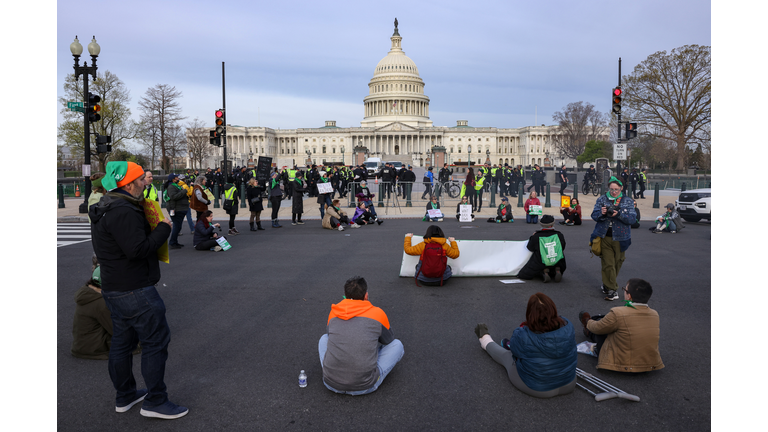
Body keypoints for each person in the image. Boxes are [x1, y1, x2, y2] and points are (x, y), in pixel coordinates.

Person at [89, 161, 188, 419]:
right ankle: (156, 401)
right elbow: (138, 250)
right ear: (130, 184)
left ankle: (125, 395)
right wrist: (164, 228)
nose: (147, 183)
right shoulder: (124, 210)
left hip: (113, 286)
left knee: (122, 343)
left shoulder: (105, 206)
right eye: (142, 180)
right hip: (135, 288)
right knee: (155, 343)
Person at [473, 293, 577, 398]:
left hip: (538, 388)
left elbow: (513, 351)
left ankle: (484, 339)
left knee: (507, 356)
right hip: (569, 383)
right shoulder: (568, 326)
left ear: (530, 314)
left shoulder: (522, 335)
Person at [318, 276, 404, 395]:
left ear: (345, 294)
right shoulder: (377, 313)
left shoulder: (334, 312)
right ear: (366, 295)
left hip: (330, 383)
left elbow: (332, 336)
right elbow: (388, 340)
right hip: (364, 386)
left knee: (324, 339)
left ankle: (331, 372)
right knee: (397, 345)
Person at [578, 278, 664, 373]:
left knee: (602, 330)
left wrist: (589, 322)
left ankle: (587, 328)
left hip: (621, 364)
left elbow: (597, 328)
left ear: (629, 296)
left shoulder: (618, 313)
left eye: (625, 290)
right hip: (649, 364)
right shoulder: (654, 314)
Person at [590, 177, 636, 301]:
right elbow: (594, 215)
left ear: (621, 188)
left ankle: (607, 284)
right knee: (608, 264)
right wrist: (602, 213)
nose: (614, 192)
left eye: (616, 189)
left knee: (617, 262)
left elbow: (632, 219)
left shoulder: (627, 201)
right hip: (604, 236)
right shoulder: (602, 199)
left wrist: (619, 214)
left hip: (621, 237)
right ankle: (612, 290)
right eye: (611, 189)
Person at [71, 262, 113, 360]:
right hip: (94, 349)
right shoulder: (101, 303)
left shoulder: (89, 294)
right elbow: (116, 330)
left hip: (82, 345)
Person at [517, 215, 566, 283]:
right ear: (552, 224)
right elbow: (562, 247)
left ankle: (544, 272)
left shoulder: (537, 236)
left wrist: (532, 237)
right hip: (557, 260)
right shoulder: (559, 235)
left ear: (541, 224)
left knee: (523, 274)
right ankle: (556, 270)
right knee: (557, 260)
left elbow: (530, 248)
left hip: (541, 261)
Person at [165, 174, 189, 249]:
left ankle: (174, 242)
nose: (178, 178)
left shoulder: (176, 185)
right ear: (173, 179)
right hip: (176, 209)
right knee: (177, 226)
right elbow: (173, 197)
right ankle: (172, 242)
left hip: (180, 208)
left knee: (178, 226)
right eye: (176, 177)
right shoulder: (171, 187)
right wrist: (184, 191)